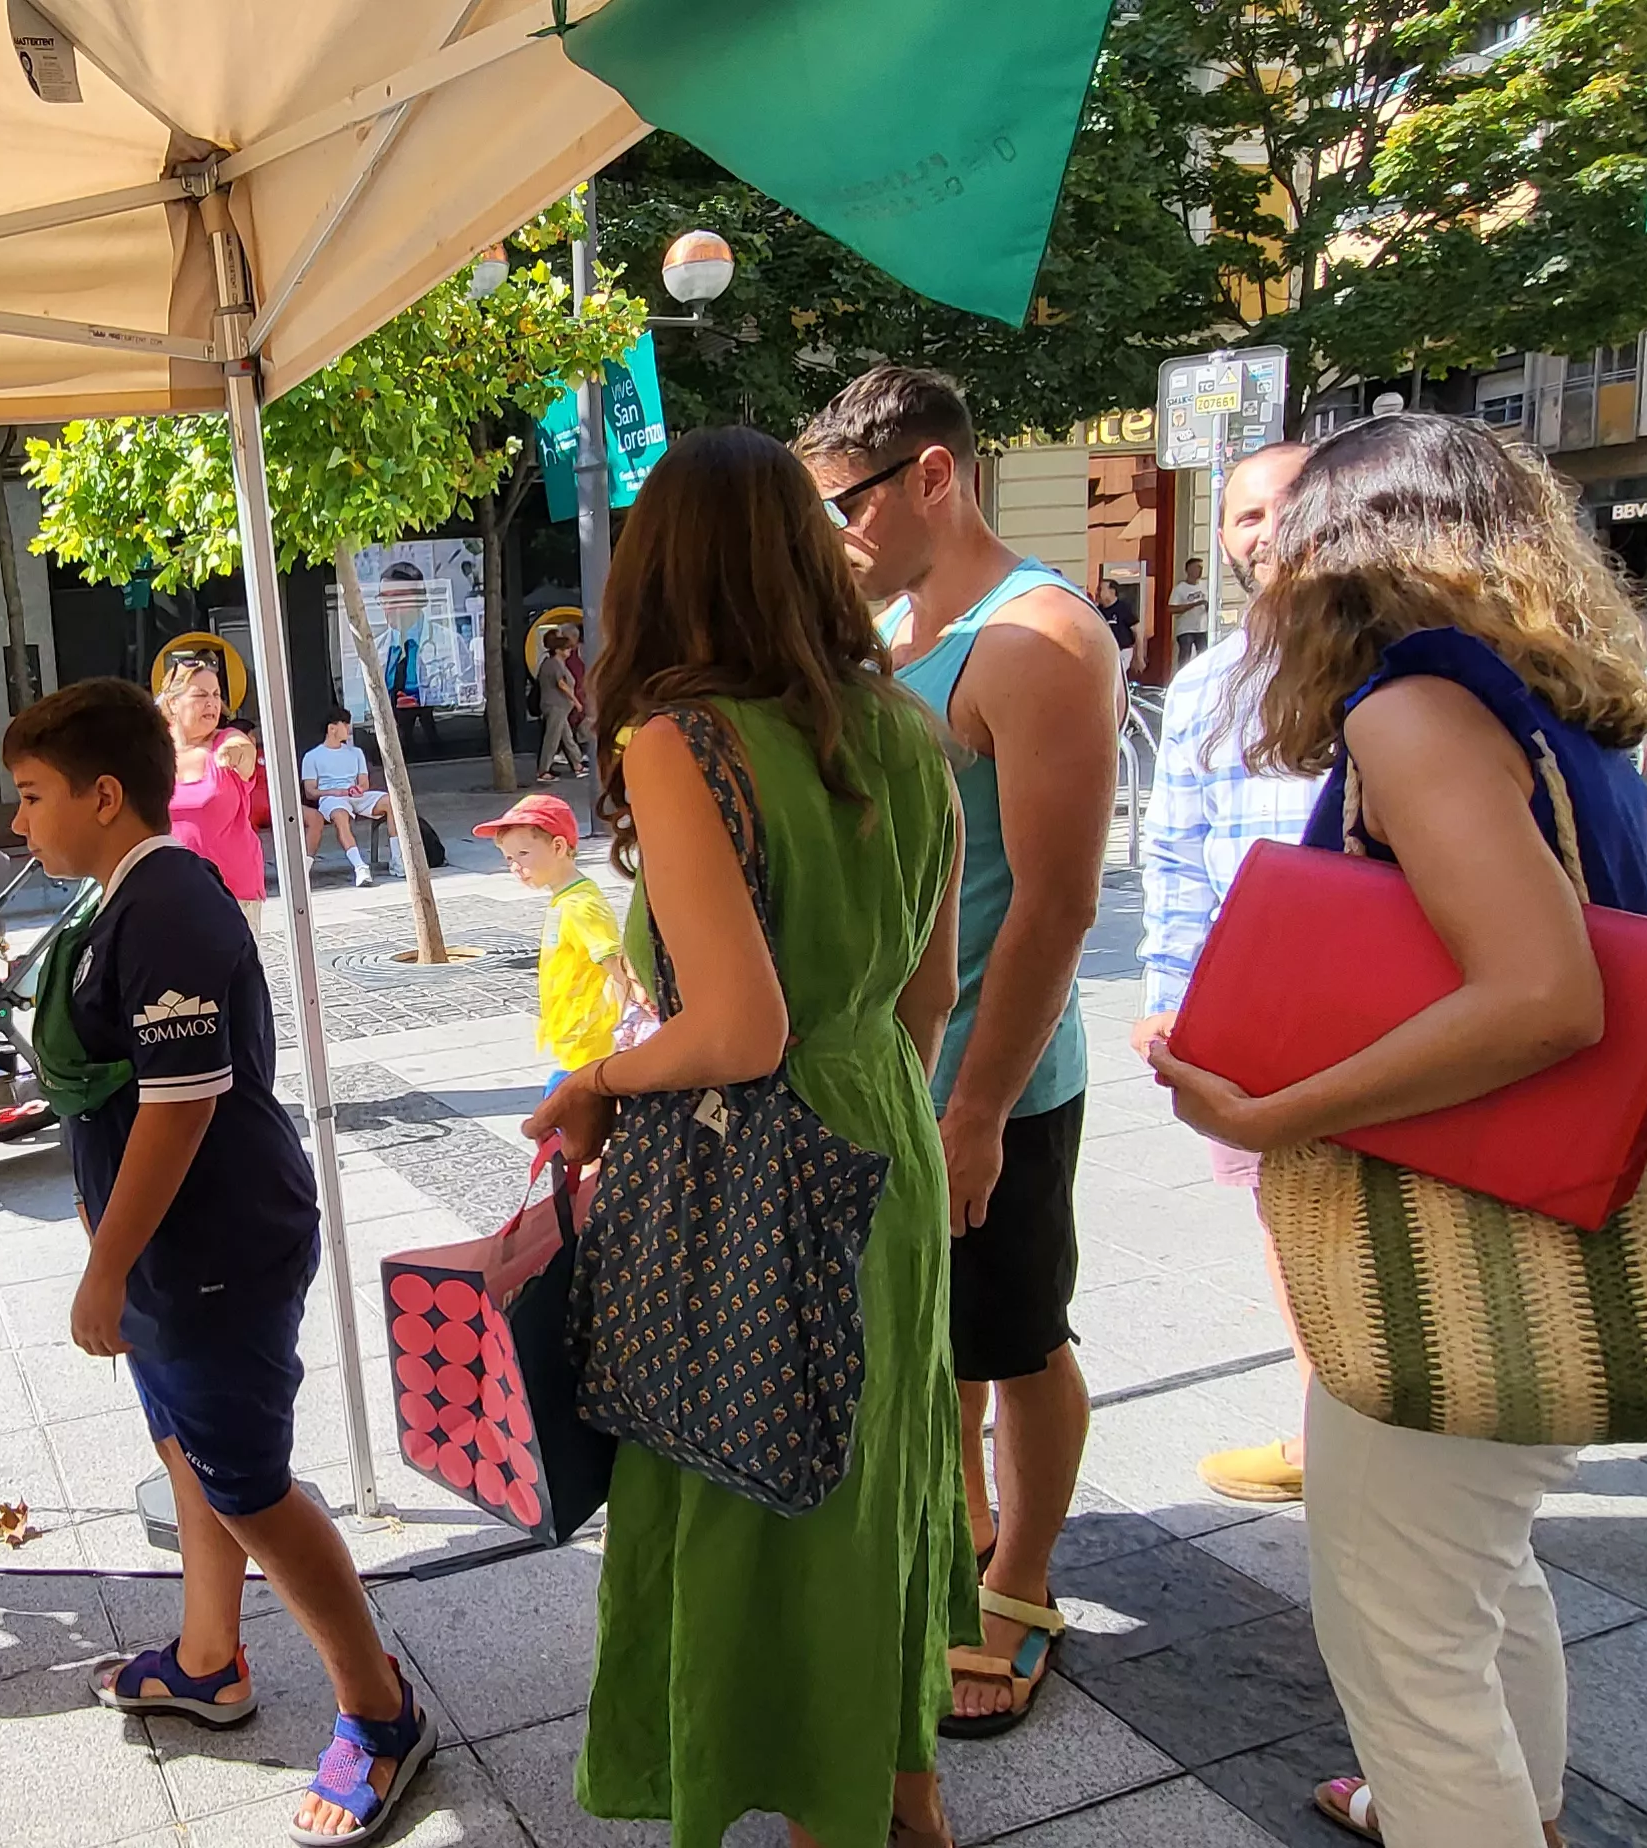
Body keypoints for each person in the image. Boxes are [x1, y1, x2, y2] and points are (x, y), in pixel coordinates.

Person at [1144, 414, 1647, 1848]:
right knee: (1474, 1573)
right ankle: (1529, 1814)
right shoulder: (1551, 694)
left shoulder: (1417, 701)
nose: (1278, 559)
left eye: (1303, 528)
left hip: (1450, 1218)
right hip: (1537, 1202)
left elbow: (1541, 995)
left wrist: (1277, 1107)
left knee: (1402, 1628)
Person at [521, 427, 969, 1848]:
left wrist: (600, 1077)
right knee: (870, 1475)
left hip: (750, 1170)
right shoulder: (906, 724)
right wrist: (877, 1123)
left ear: (662, 570)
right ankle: (898, 1802)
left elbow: (736, 1030)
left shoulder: (683, 739)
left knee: (741, 1481)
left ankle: (784, 1793)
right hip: (883, 1135)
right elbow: (931, 990)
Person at [5, 679, 423, 1847]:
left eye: (33, 797)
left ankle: (380, 1714)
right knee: (185, 1445)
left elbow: (180, 1110)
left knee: (247, 1480)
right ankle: (206, 1661)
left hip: (216, 1249)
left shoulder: (169, 903)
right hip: (167, 1255)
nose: (19, 821)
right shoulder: (121, 898)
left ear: (102, 794)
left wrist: (104, 1270)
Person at [800, 366, 1116, 1739]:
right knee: (928, 1343)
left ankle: (1024, 1584)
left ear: (936, 473)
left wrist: (982, 1103)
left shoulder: (1036, 634)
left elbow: (1058, 900)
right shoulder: (892, 619)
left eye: (847, 504)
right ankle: (967, 1534)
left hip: (999, 1068)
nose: (837, 535)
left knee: (1014, 1331)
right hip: (893, 1062)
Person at [1136, 442, 1329, 1507]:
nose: (1266, 531)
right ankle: (1320, 1427)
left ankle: (1420, 1432)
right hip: (1253, 1015)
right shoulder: (1211, 680)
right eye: (1246, 516)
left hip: (1387, 1013)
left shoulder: (1404, 665)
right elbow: (1173, 854)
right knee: (1285, 1225)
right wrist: (1171, 997)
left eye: (1288, 505)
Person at [468, 791, 630, 1091]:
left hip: (593, 1039)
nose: (515, 866)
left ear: (558, 846)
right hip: (574, 1035)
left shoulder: (581, 904)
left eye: (523, 854)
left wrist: (627, 1031)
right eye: (508, 859)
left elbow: (617, 966)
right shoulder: (563, 900)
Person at [157, 663, 270, 929]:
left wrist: (237, 753)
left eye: (216, 695)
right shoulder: (153, 753)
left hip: (230, 893)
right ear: (173, 703)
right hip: (168, 893)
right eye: (201, 695)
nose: (212, 703)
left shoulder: (226, 740)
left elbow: (242, 749)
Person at [300, 710, 394, 885]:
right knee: (339, 815)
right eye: (345, 724)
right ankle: (359, 866)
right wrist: (334, 792)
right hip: (332, 798)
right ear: (332, 728)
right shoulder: (312, 756)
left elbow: (364, 782)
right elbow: (310, 791)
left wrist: (359, 788)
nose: (348, 728)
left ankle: (399, 859)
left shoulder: (355, 752)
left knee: (392, 803)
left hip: (357, 796)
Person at [534, 624, 590, 778]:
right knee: (552, 739)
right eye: (567, 649)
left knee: (567, 738)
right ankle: (543, 770)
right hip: (556, 706)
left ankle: (577, 764)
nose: (569, 651)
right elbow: (562, 684)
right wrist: (576, 701)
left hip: (560, 707)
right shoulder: (554, 664)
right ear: (558, 650)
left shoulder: (554, 663)